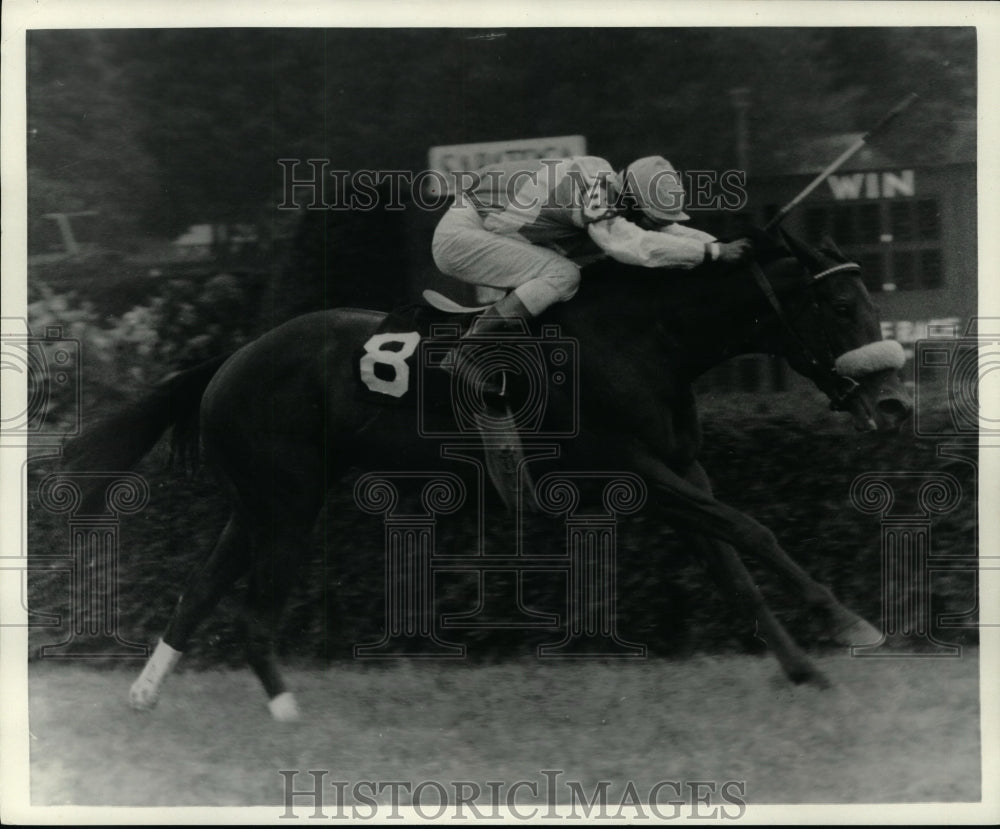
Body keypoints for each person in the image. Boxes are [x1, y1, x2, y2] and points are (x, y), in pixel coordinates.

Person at [431, 154, 753, 395]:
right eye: (650, 219)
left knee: (566, 269)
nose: (653, 226)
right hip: (461, 236)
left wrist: (723, 247)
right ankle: (468, 350)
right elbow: (635, 246)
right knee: (564, 275)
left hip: (492, 227)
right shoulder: (594, 196)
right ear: (631, 201)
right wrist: (714, 253)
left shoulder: (613, 185)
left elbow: (669, 230)